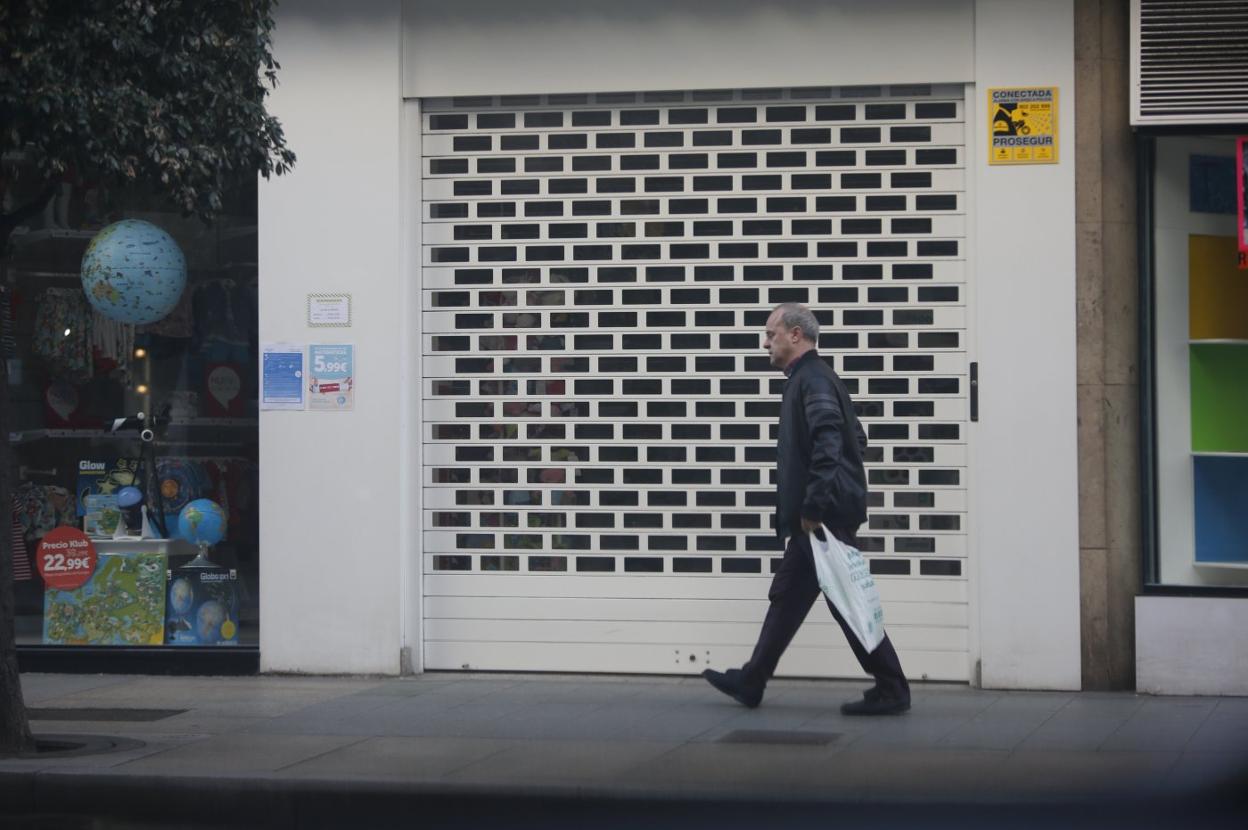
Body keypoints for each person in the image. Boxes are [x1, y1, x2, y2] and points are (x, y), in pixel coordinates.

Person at [702, 303, 911, 715]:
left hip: (822, 518)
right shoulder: (813, 378)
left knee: (842, 600)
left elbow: (831, 442)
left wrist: (815, 505)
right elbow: (856, 438)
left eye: (771, 333)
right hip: (822, 515)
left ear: (796, 335)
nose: (766, 343)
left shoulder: (811, 380)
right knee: (790, 598)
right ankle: (753, 678)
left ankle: (893, 688)